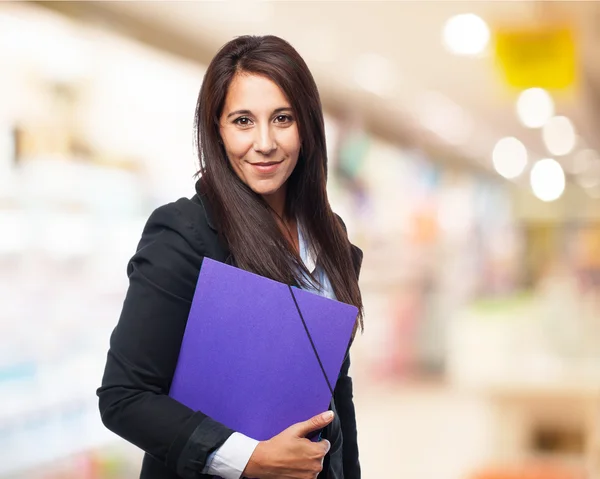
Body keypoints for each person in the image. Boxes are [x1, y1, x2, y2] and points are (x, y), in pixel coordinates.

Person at [97, 35, 364, 479]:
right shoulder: (185, 233)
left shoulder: (328, 235)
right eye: (242, 121)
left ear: (309, 126)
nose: (264, 143)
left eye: (282, 118)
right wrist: (248, 459)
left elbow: (336, 388)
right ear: (217, 130)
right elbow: (125, 397)